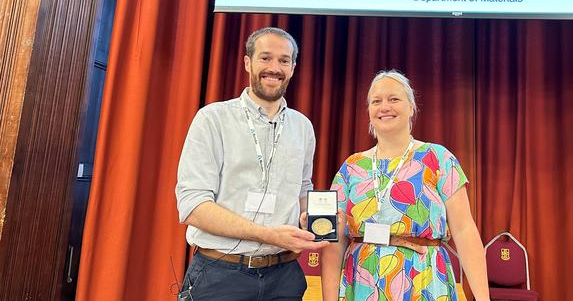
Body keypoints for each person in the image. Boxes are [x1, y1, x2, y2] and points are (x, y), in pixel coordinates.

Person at [176, 27, 327, 301]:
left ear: (293, 68)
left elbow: (303, 191)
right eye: (265, 58)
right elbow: (193, 207)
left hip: (284, 279)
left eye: (284, 60)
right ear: (248, 63)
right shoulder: (213, 119)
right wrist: (268, 235)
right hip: (220, 275)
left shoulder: (303, 127)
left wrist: (314, 220)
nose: (274, 68)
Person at [320, 70, 490, 301]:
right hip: (362, 285)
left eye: (394, 99)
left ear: (411, 107)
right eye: (376, 101)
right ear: (369, 111)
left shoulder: (438, 158)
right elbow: (334, 240)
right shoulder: (352, 167)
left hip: (424, 281)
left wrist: (482, 298)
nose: (384, 107)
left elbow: (464, 230)